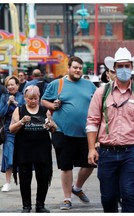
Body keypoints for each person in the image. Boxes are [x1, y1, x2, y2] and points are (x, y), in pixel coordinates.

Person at [86, 47, 134, 212]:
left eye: (127, 65)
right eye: (120, 66)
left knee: (129, 194)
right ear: (114, 69)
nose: (124, 69)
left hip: (129, 153)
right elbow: (92, 122)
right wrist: (91, 149)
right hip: (106, 152)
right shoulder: (102, 93)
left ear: (132, 67)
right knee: (108, 197)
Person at [41, 56, 97, 210]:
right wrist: (53, 104)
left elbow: (98, 103)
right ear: (69, 68)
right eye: (75, 67)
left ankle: (77, 187)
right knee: (66, 166)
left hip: (86, 133)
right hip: (61, 131)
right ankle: (67, 199)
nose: (78, 70)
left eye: (80, 68)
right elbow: (44, 101)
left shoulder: (89, 85)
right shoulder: (57, 84)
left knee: (91, 163)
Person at [9, 85, 57, 213]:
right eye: (30, 98)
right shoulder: (19, 110)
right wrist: (22, 122)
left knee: (43, 177)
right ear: (25, 98)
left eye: (35, 98)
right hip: (24, 150)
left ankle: (40, 205)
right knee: (25, 178)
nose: (33, 101)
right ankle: (26, 206)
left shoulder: (44, 110)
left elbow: (54, 128)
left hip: (42, 149)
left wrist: (50, 124)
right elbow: (11, 129)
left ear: (39, 97)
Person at [0, 76, 25, 192]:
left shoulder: (23, 96)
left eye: (12, 84)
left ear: (17, 85)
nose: (10, 87)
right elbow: (1, 113)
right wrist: (7, 103)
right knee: (8, 154)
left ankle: (23, 181)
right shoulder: (4, 97)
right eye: (8, 85)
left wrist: (15, 103)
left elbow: (25, 111)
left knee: (22, 155)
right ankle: (7, 182)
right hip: (8, 130)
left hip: (21, 128)